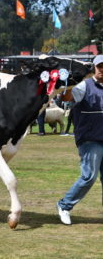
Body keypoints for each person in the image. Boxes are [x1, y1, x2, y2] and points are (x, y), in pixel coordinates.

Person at [57, 54, 103, 225]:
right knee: (89, 176)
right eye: (100, 67)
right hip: (90, 139)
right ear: (94, 68)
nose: (102, 70)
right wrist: (68, 84)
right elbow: (67, 98)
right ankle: (64, 206)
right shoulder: (85, 85)